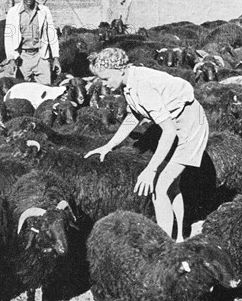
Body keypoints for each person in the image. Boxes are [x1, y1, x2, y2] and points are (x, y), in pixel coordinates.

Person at [84, 48, 209, 242]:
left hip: (190, 124)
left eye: (107, 79)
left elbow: (168, 131)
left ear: (119, 70)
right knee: (172, 185)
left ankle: (164, 245)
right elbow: (133, 116)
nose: (106, 86)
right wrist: (109, 146)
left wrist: (150, 170)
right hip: (177, 122)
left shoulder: (142, 86)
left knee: (160, 187)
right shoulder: (129, 83)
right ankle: (179, 238)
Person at [4, 0, 61, 85]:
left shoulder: (44, 11)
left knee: (46, 88)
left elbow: (52, 34)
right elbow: (8, 37)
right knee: (23, 89)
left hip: (40, 55)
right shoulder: (13, 12)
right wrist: (11, 58)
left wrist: (56, 57)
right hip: (23, 57)